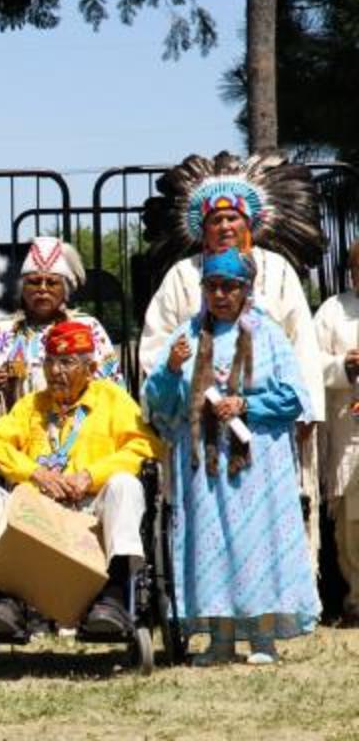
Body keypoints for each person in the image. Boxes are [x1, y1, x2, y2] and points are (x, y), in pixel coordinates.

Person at [138, 151, 325, 560]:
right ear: (202, 230)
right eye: (215, 220)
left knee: (274, 516)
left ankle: (278, 598)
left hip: (267, 422)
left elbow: (303, 343)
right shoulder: (181, 276)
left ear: (249, 222)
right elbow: (155, 347)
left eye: (232, 217)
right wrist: (174, 397)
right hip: (200, 423)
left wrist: (305, 410)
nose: (224, 225)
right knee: (209, 522)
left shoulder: (277, 270)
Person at [146, 248, 320, 665]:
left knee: (258, 543)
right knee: (213, 544)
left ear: (247, 290)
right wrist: (171, 369)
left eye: (229, 287)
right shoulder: (186, 336)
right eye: (212, 286)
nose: (220, 294)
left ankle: (262, 639)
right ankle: (220, 640)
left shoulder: (268, 333)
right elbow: (158, 404)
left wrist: (245, 406)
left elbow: (295, 397)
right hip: (204, 464)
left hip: (258, 465)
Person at [0, 321, 162, 634]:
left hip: (90, 509)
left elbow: (145, 444)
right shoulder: (31, 405)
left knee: (126, 486)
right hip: (36, 514)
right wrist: (34, 473)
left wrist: (90, 476)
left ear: (91, 367)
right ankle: (0, 600)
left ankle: (113, 599)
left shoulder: (112, 399)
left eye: (67, 362)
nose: (56, 371)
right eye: (50, 362)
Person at [0, 236, 120, 431]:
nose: (42, 289)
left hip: (78, 439)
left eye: (52, 283)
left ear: (65, 290)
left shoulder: (87, 328)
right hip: (17, 441)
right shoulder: (1, 332)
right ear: (22, 289)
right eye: (34, 282)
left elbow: (113, 389)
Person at [313, 239, 359, 625]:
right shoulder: (333, 311)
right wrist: (344, 365)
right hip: (349, 428)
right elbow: (309, 363)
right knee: (353, 520)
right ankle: (357, 599)